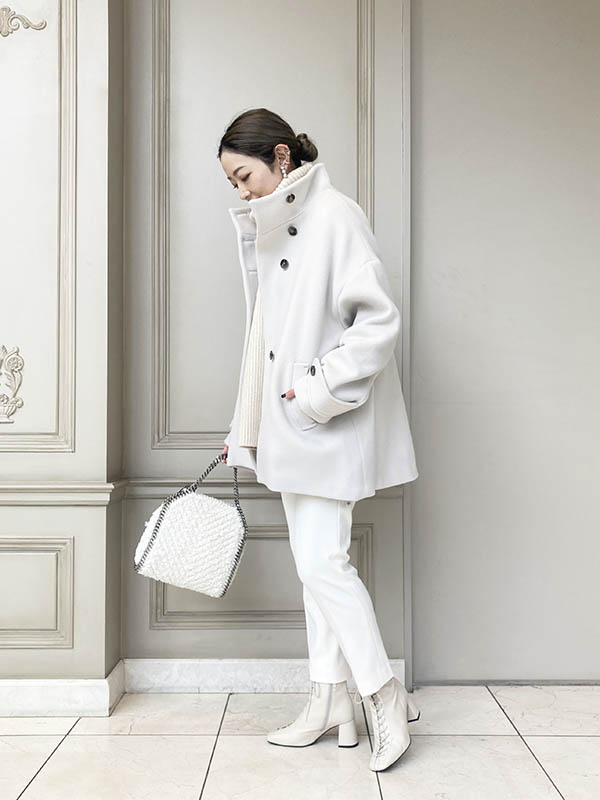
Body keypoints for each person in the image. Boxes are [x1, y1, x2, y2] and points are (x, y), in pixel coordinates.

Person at [217, 107, 420, 772]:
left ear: (281, 157)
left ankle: (382, 694)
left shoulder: (335, 216)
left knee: (321, 564)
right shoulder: (275, 226)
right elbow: (265, 337)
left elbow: (377, 324)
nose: (240, 190)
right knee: (315, 568)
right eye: (233, 182)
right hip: (289, 424)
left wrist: (315, 392)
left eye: (244, 175)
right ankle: (329, 698)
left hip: (326, 423)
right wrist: (248, 422)